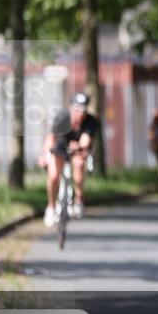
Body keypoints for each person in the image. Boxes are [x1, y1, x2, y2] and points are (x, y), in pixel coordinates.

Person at [39, 92, 98, 226]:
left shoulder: (91, 121)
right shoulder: (62, 118)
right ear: (71, 108)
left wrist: (78, 146)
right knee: (53, 176)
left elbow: (85, 141)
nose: (80, 113)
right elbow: (51, 138)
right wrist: (44, 155)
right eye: (77, 109)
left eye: (83, 110)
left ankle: (78, 199)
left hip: (78, 148)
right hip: (60, 147)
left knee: (78, 163)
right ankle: (51, 207)